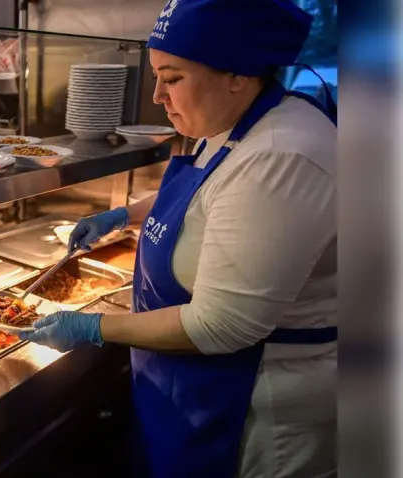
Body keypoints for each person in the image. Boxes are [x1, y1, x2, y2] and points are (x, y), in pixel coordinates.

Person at [21, 1, 337, 477]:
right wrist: (125, 214)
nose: (156, 97)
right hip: (195, 384)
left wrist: (92, 328)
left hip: (257, 405)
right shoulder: (232, 120)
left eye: (172, 79)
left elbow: (222, 325)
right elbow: (207, 196)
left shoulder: (280, 154)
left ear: (237, 72)